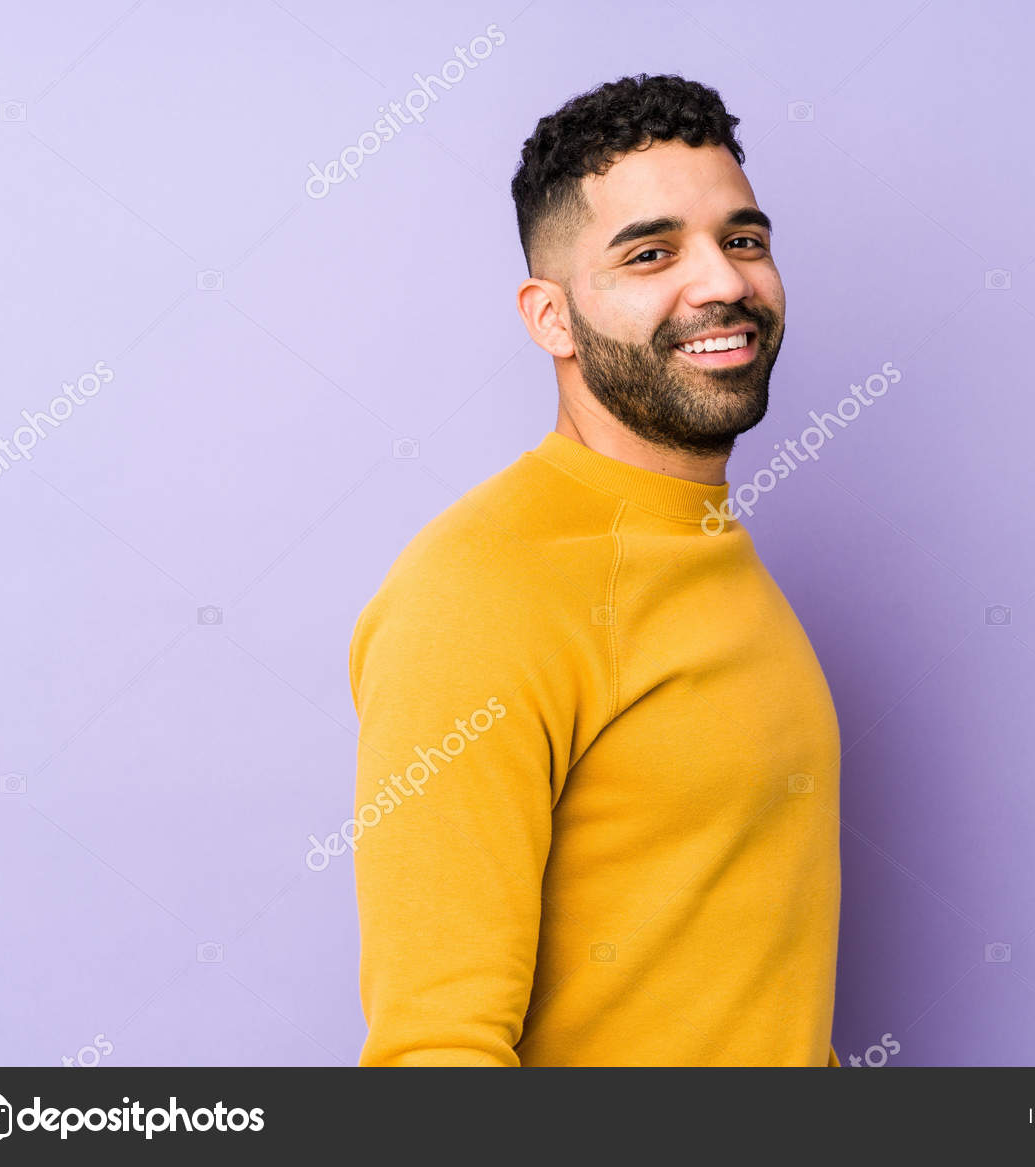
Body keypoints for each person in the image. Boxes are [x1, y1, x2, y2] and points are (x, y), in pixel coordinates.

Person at [349, 73, 841, 1066]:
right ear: (553, 319)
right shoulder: (482, 590)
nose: (722, 283)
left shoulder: (704, 542)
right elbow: (434, 1055)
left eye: (742, 240)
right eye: (651, 252)